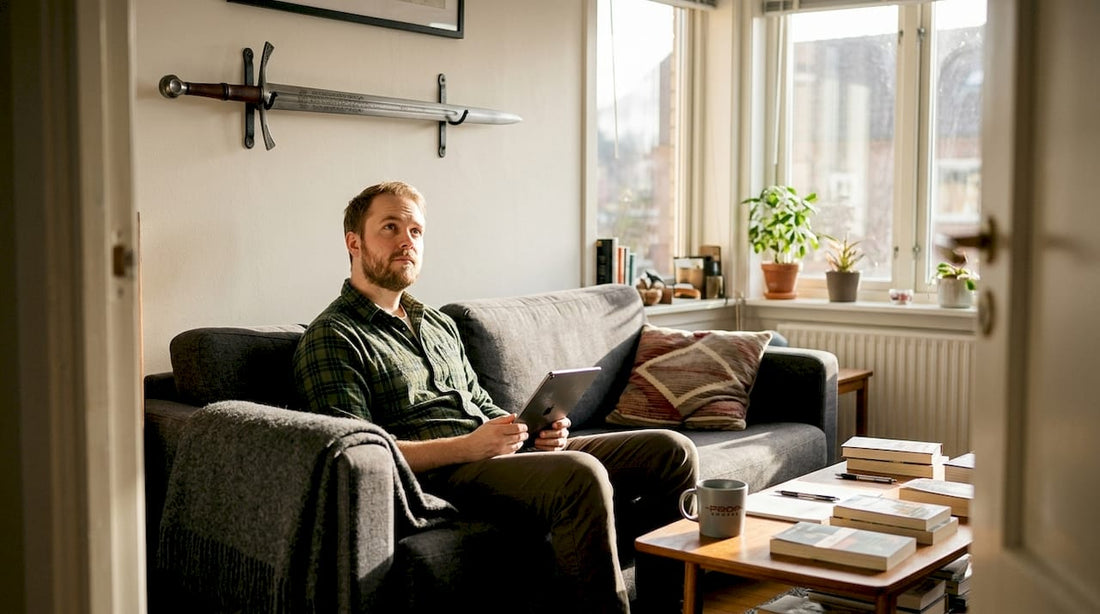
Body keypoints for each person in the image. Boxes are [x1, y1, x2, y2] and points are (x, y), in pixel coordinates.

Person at [293, 181, 698, 613]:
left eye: (415, 231)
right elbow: (358, 457)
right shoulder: (334, 337)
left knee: (671, 451)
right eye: (390, 227)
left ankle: (668, 605)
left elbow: (480, 405)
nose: (406, 241)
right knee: (580, 474)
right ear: (353, 242)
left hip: (491, 454)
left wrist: (530, 429)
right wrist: (468, 447)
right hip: (439, 477)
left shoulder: (436, 324)